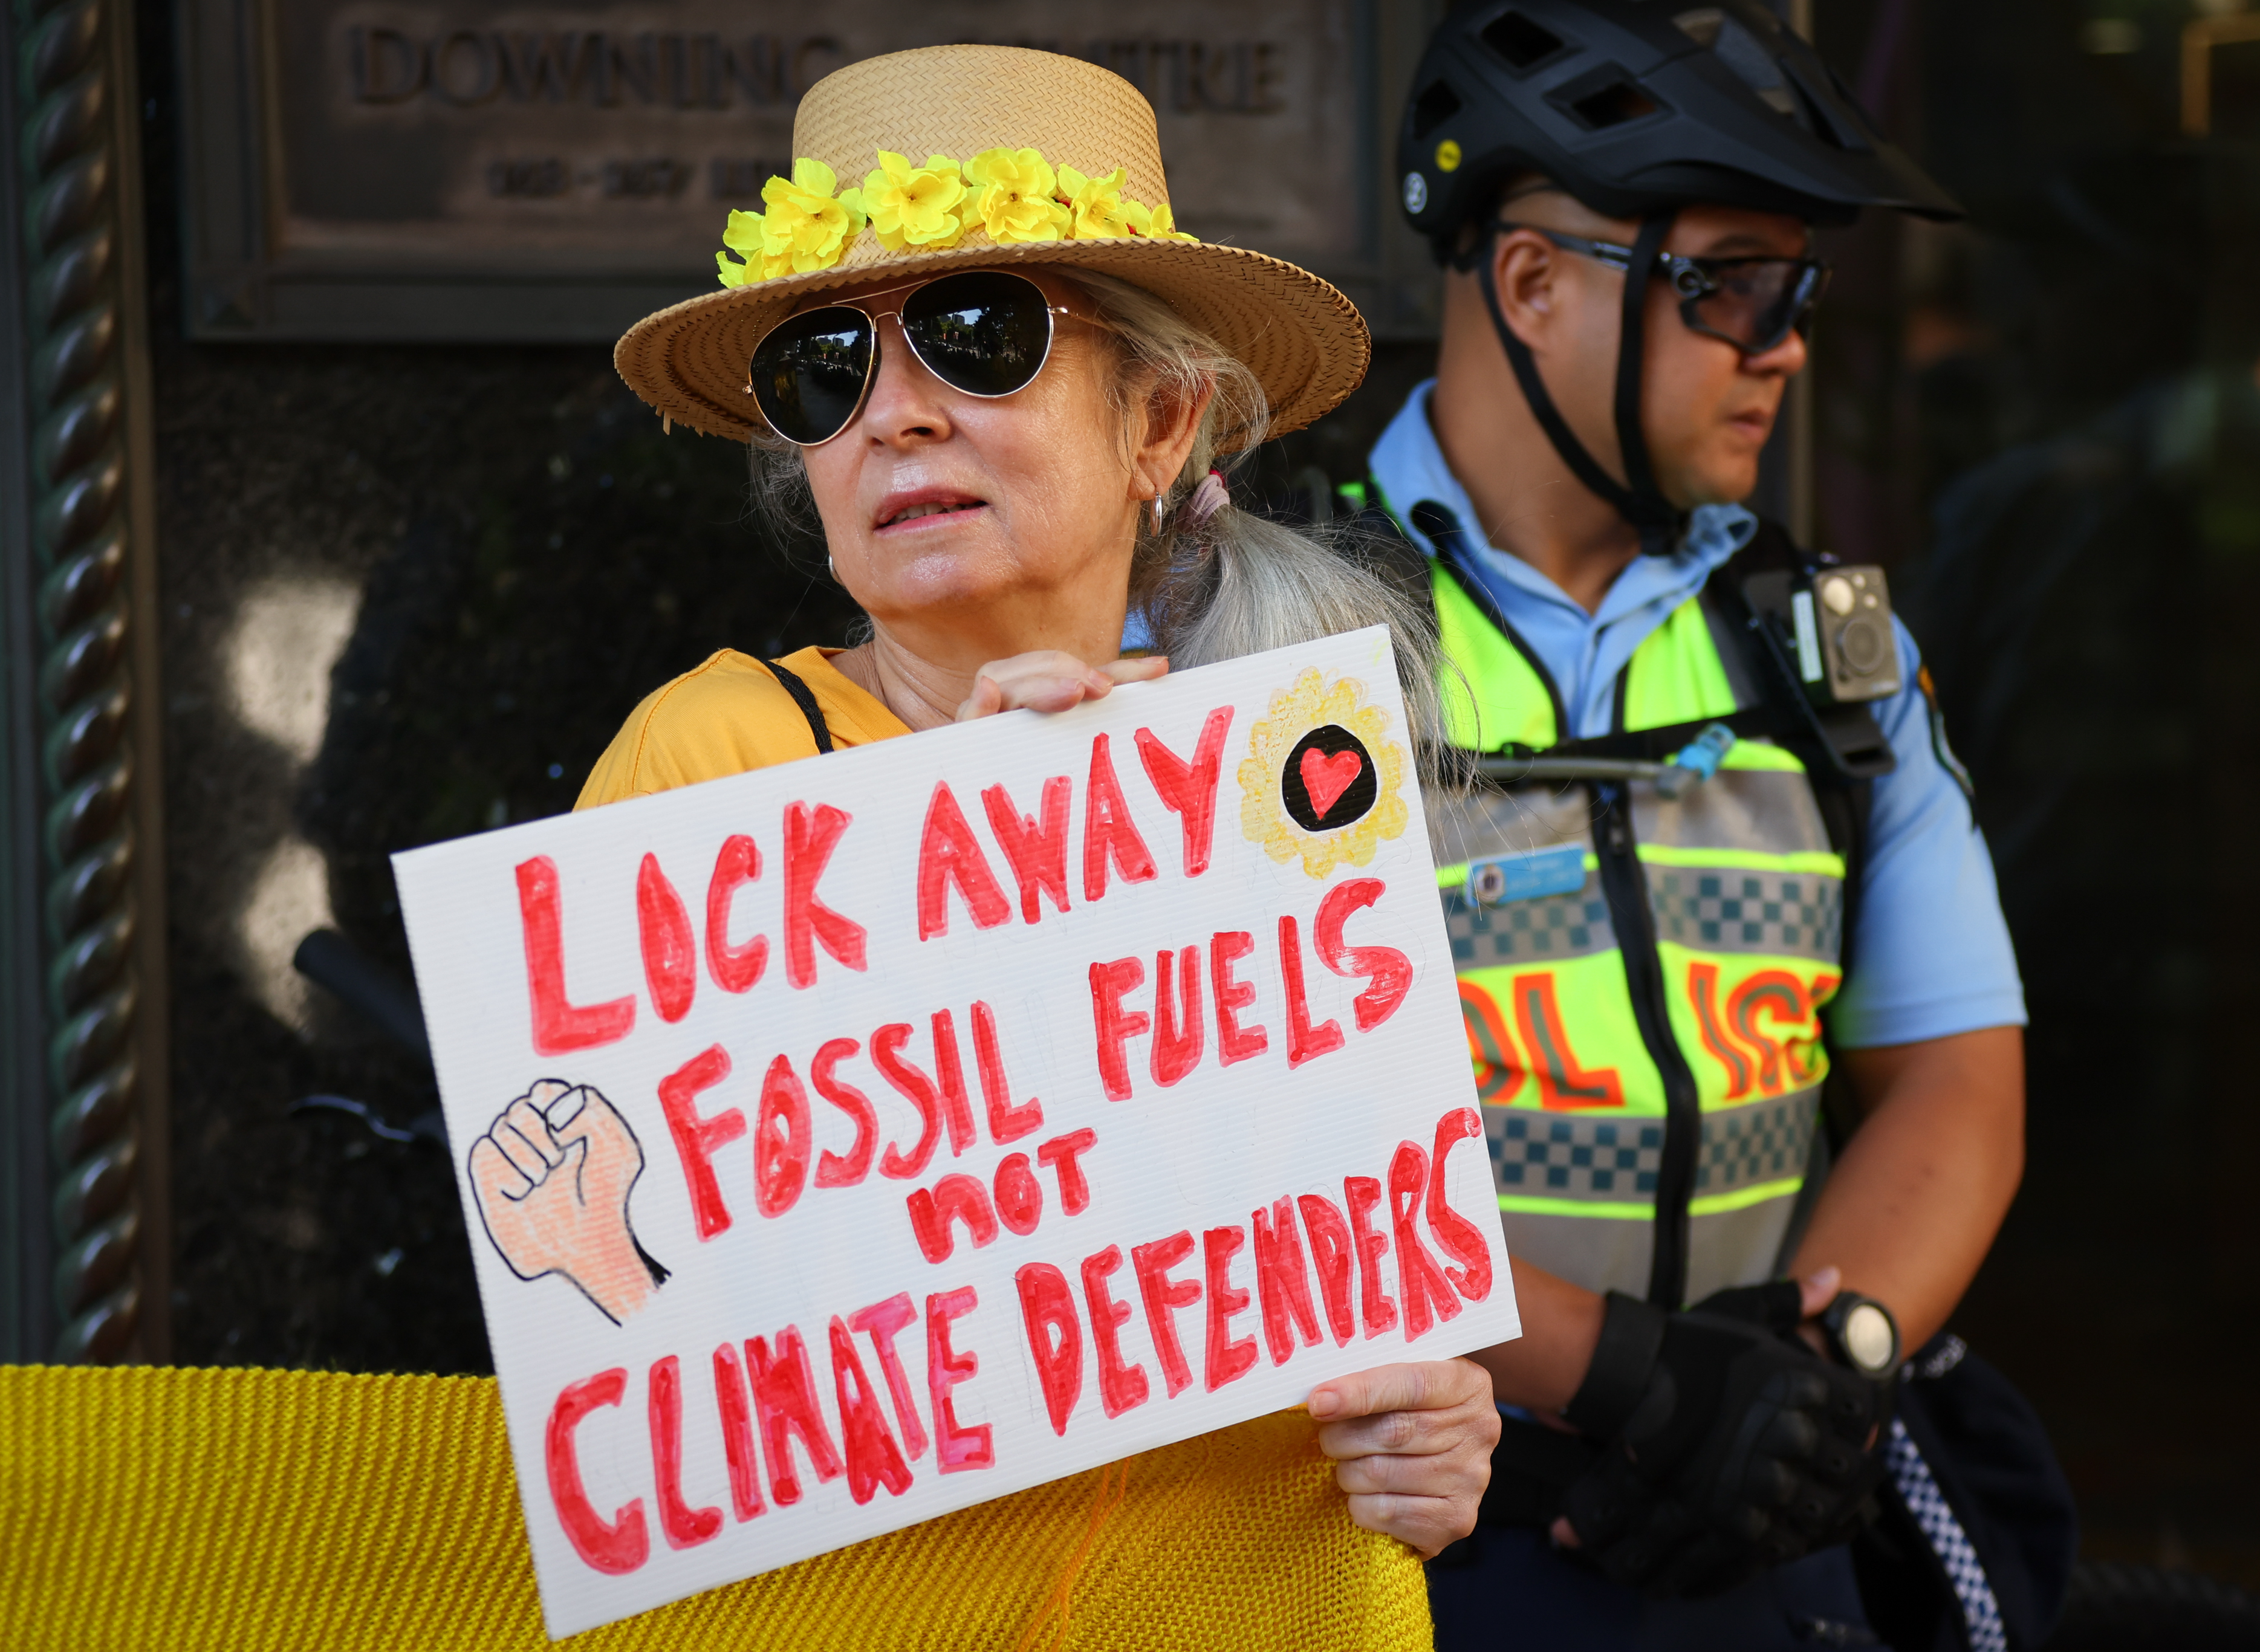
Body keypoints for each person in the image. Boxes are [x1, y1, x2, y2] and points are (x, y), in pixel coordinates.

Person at [580, 44, 1499, 1563]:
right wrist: (970, 871)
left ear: (1158, 427)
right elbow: (639, 1363)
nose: (894, 417)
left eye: (975, 334)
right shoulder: (706, 761)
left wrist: (1427, 1427)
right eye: (827, 365)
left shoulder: (1275, 805)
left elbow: (1338, 1294)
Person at [1368, 3, 2054, 1645]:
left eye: (1800, 290)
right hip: (1404, 1535)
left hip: (1757, 1510)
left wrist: (1812, 1382)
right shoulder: (1272, 641)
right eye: (1727, 283)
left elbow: (1956, 1076)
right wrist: (1630, 1381)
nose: (1784, 340)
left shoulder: (1825, 644)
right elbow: (1230, 1164)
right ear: (1529, 283)